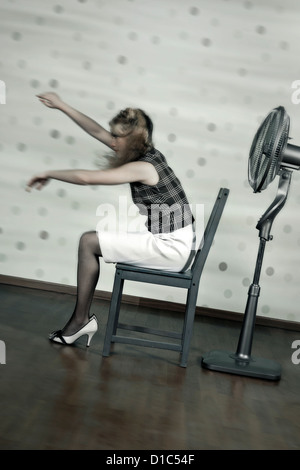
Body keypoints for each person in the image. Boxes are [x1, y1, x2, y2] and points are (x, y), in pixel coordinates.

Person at [27, 92, 195, 346]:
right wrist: (62, 105)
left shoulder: (143, 167)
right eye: (113, 135)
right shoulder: (147, 154)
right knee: (90, 241)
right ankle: (80, 320)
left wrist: (48, 172)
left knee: (88, 242)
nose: (113, 142)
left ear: (133, 139)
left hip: (172, 249)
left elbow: (87, 178)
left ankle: (80, 321)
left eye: (117, 137)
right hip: (176, 242)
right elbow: (95, 130)